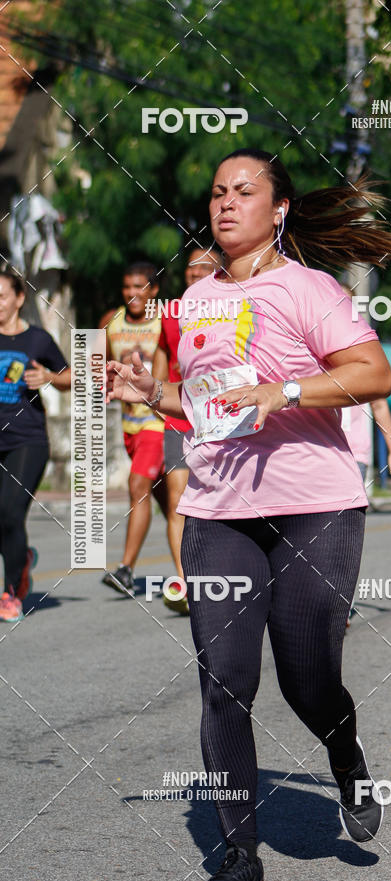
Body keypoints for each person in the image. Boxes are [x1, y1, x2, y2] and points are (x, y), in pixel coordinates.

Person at [106, 148, 391, 881]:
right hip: (218, 510)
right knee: (224, 685)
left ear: (279, 210)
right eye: (216, 193)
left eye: (244, 192)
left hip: (315, 505)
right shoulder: (197, 300)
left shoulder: (311, 288)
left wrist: (290, 388)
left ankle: (345, 756)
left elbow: (374, 374)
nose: (225, 203)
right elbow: (203, 403)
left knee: (309, 678)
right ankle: (242, 861)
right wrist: (153, 391)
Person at [152, 247, 222, 614]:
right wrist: (155, 398)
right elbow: (161, 358)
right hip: (179, 419)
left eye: (205, 269)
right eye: (191, 271)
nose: (196, 276)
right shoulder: (170, 313)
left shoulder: (231, 309)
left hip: (222, 419)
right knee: (177, 502)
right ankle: (186, 584)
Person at [0, 272, 71, 623]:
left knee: (10, 512)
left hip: (27, 439)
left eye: (1, 296)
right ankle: (22, 559)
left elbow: (70, 377)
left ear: (17, 299)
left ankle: (11, 590)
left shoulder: (37, 339)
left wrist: (48, 377)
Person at [100, 261, 167, 595]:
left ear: (153, 290)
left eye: (139, 287)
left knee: (138, 484)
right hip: (129, 425)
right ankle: (197, 567)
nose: (132, 294)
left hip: (158, 423)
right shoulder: (110, 322)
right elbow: (97, 367)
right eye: (127, 287)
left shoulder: (165, 322)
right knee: (170, 504)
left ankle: (125, 570)